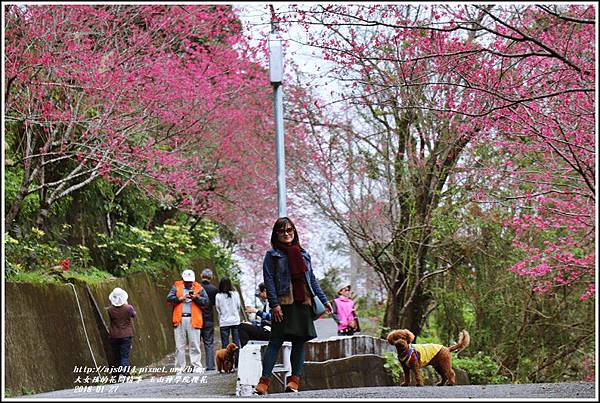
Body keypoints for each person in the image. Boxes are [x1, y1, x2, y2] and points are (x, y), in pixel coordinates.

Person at [255, 217, 332, 395]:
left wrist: (324, 299)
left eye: (289, 230)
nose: (286, 233)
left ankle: (294, 382)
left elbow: (311, 279)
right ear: (276, 234)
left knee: (299, 342)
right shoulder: (272, 255)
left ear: (294, 231)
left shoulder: (304, 254)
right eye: (282, 231)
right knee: (275, 341)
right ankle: (264, 382)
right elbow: (269, 281)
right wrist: (274, 304)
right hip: (283, 305)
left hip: (302, 303)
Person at [166, 269, 209, 373]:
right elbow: (169, 298)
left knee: (194, 344)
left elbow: (206, 301)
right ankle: (180, 368)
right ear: (183, 280)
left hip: (194, 319)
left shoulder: (199, 288)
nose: (189, 283)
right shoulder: (176, 286)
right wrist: (180, 298)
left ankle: (197, 366)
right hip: (179, 319)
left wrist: (196, 298)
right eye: (187, 281)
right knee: (179, 345)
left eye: (190, 281)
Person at [108, 287, 136, 380]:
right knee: (124, 355)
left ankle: (117, 374)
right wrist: (127, 304)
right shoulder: (128, 308)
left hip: (114, 335)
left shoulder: (110, 309)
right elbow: (133, 315)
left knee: (117, 355)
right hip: (126, 335)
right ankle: (124, 374)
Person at [215, 277, 241, 367]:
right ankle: (237, 365)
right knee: (237, 344)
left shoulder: (218, 296)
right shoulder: (236, 294)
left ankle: (226, 365)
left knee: (225, 345)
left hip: (224, 322)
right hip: (235, 321)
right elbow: (238, 307)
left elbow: (218, 309)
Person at [239, 282, 272, 347]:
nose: (259, 295)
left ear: (265, 291)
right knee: (244, 325)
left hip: (270, 331)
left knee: (242, 327)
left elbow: (271, 317)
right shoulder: (267, 303)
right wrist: (252, 323)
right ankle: (247, 349)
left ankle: (245, 349)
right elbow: (264, 321)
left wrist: (256, 311)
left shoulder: (273, 302)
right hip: (265, 329)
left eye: (260, 292)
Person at [199, 268, 218, 371]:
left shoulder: (197, 287)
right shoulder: (214, 289)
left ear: (201, 275)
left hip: (197, 318)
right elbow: (216, 304)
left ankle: (196, 366)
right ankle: (210, 366)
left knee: (195, 343)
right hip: (209, 318)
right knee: (209, 343)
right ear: (211, 277)